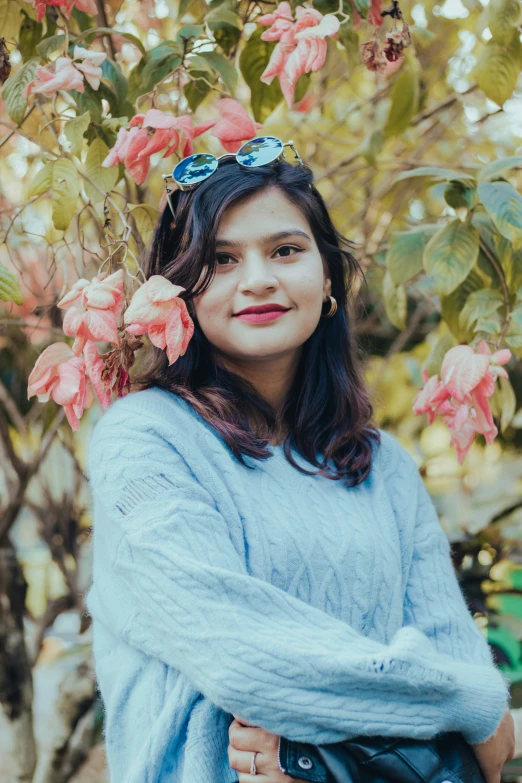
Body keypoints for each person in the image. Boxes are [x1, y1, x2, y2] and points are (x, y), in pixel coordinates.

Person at [85, 143, 515, 783]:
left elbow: (460, 662)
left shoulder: (382, 465)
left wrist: (318, 734)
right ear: (178, 294)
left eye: (285, 251)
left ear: (329, 278)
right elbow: (242, 656)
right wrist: (466, 703)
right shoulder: (146, 441)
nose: (258, 278)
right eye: (220, 260)